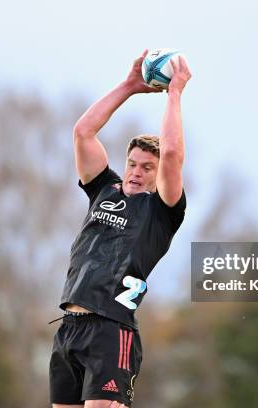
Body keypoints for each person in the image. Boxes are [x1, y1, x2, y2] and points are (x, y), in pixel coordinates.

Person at [49, 49, 191, 408]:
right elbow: (83, 132)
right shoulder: (103, 189)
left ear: (158, 176)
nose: (136, 171)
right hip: (69, 328)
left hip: (112, 331)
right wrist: (128, 86)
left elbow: (172, 155)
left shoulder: (162, 211)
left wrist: (174, 94)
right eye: (132, 163)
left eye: (146, 167)